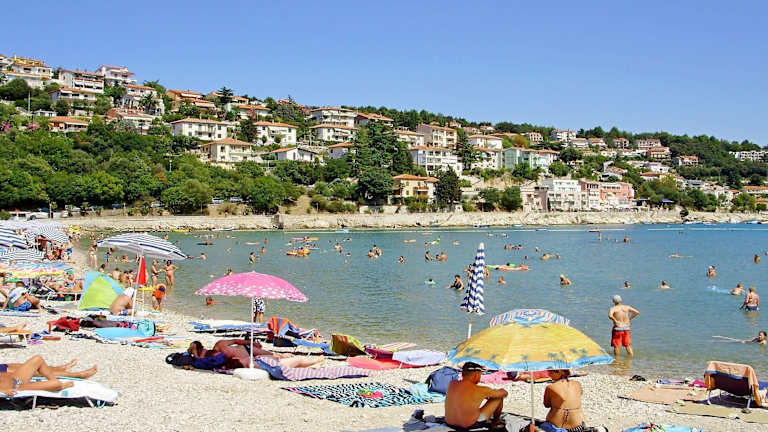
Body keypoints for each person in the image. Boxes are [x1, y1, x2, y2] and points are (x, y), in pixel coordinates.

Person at [445, 362, 507, 430]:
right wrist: (500, 390)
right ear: (476, 375)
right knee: (498, 397)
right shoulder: (480, 389)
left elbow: (465, 395)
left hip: (450, 423)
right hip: (469, 424)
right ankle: (496, 422)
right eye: (480, 375)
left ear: (462, 374)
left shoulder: (452, 383)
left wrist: (486, 395)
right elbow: (504, 393)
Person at [0, 355, 97, 396]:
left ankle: (54, 380)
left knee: (38, 359)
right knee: (56, 384)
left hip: (15, 378)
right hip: (17, 387)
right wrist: (4, 391)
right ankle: (59, 385)